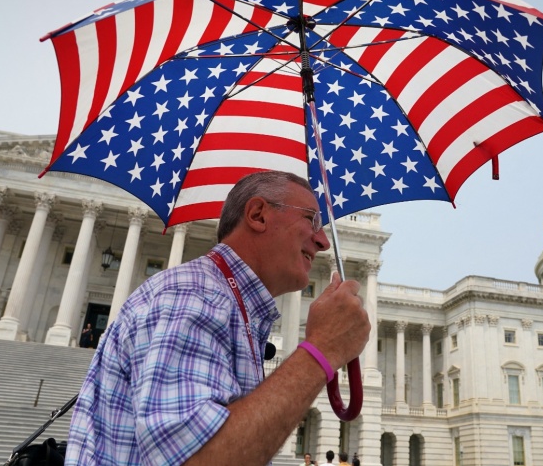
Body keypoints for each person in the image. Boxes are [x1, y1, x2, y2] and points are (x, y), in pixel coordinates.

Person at [64, 171, 370, 465]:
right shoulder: (193, 295)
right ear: (258, 215)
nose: (323, 241)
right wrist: (322, 349)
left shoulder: (227, 304)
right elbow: (197, 458)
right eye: (311, 219)